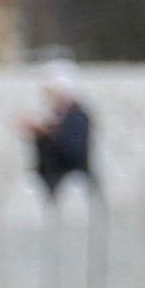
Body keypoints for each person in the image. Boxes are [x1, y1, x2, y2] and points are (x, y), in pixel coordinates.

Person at [26, 57, 94, 194]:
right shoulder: (55, 117)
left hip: (71, 184)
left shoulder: (77, 117)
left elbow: (75, 152)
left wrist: (48, 133)